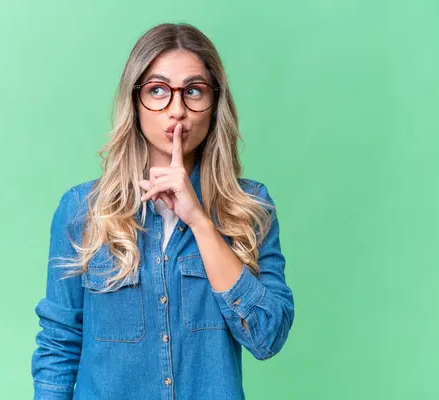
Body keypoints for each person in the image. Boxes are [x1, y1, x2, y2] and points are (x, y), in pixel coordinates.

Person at [31, 22, 295, 400]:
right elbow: (59, 344)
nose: (176, 110)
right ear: (135, 101)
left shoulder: (250, 207)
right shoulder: (81, 211)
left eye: (193, 91)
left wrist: (200, 221)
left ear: (214, 103)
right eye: (158, 90)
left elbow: (267, 337)